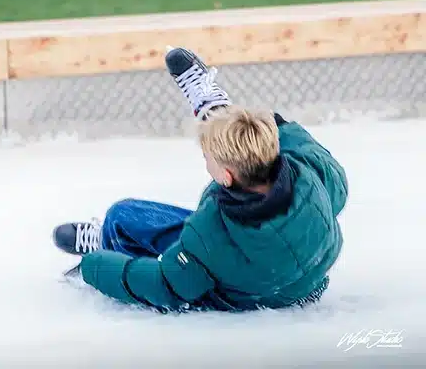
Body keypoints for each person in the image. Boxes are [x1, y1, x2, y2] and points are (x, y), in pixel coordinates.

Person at [53, 46, 348, 313]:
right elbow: (290, 138)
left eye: (208, 157)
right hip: (303, 284)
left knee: (122, 217)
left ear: (226, 176)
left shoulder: (209, 235)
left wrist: (95, 267)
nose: (206, 162)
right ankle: (213, 106)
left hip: (244, 294)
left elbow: (165, 285)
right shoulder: (312, 173)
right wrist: (248, 125)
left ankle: (108, 239)